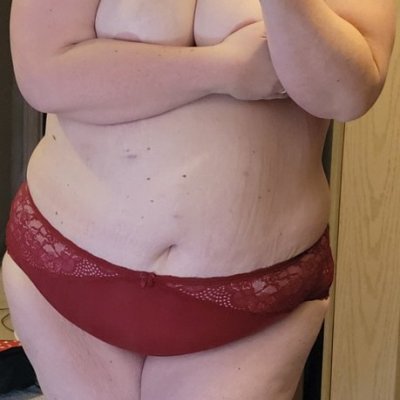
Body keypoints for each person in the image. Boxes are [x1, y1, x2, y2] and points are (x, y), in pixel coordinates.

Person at [1, 0, 395, 399]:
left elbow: (347, 95)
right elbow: (44, 74)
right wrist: (225, 69)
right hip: (67, 264)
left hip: (250, 300)